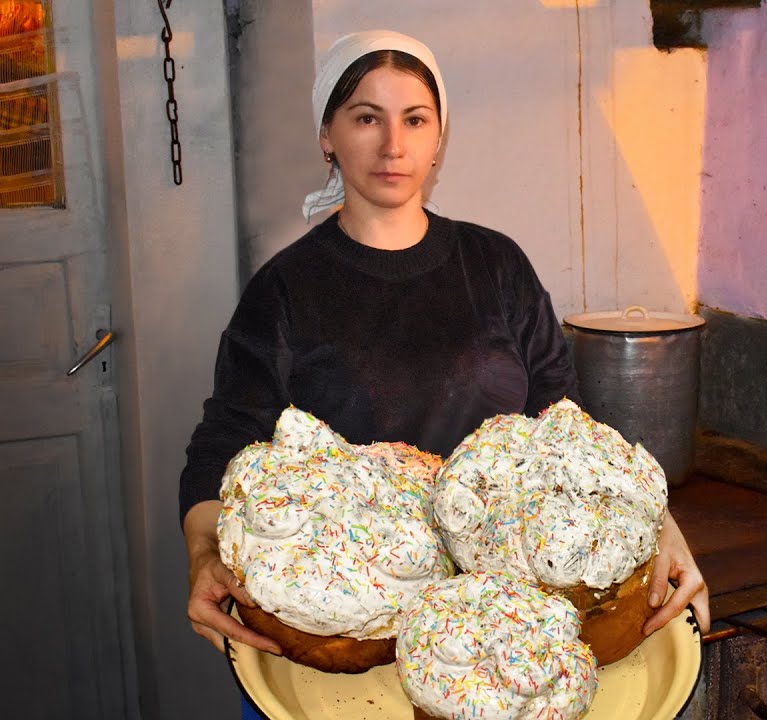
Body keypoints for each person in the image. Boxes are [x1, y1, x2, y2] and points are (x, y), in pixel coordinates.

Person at [180, 29, 710, 680]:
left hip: (503, 631)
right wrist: (204, 553)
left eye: (415, 119)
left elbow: (570, 429)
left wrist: (660, 529)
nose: (393, 145)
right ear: (327, 136)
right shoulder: (286, 290)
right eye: (366, 118)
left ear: (439, 137)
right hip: (349, 635)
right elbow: (223, 444)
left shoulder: (496, 265)